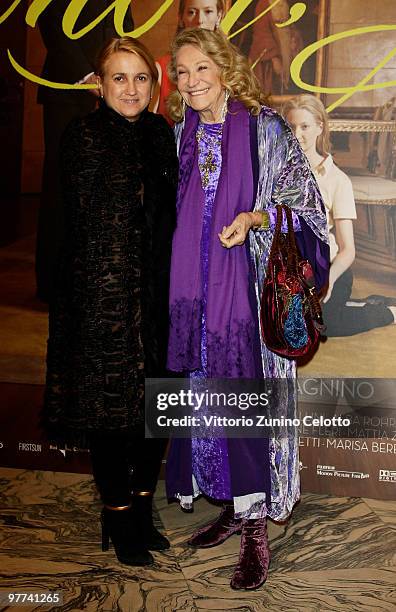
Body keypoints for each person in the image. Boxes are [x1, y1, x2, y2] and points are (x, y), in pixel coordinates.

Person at [164, 28, 329, 590]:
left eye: (199, 70)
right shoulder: (180, 131)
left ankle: (256, 524)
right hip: (194, 295)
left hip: (246, 292)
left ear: (223, 68)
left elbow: (307, 208)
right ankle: (233, 507)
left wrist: (255, 219)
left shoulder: (264, 128)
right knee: (205, 398)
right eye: (180, 73)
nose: (189, 83)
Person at [42, 37, 178, 566]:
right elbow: (87, 226)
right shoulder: (84, 134)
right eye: (118, 78)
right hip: (101, 296)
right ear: (99, 85)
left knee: (156, 411)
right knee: (110, 413)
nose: (131, 88)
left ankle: (143, 509)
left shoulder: (161, 135)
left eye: (140, 77)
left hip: (157, 296)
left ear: (154, 84)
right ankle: (117, 514)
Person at [36, 0, 134, 302]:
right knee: (63, 189)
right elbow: (51, 23)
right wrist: (84, 78)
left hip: (109, 95)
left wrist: (116, 78)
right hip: (67, 94)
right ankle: (55, 286)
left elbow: (124, 29)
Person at [283, 94, 396, 336]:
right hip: (291, 270)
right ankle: (359, 302)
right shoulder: (279, 173)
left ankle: (386, 312)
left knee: (323, 325)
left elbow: (348, 250)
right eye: (291, 126)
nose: (297, 133)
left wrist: (328, 279)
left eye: (305, 126)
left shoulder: (338, 180)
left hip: (332, 268)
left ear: (319, 127)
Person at [155, 0, 224, 123]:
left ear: (219, 15)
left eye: (208, 11)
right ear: (181, 17)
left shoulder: (232, 63)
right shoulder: (160, 68)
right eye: (192, 12)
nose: (199, 20)